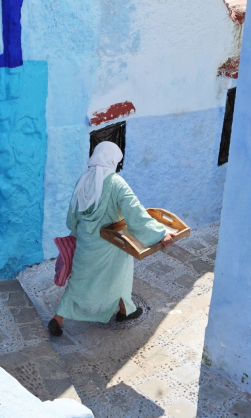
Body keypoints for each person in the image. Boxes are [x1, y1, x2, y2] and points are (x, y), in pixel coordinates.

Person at [48, 141, 174, 336]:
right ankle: (124, 311)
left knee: (79, 282)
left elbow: (71, 217)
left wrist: (79, 233)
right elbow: (136, 213)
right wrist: (159, 234)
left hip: (85, 244)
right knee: (121, 275)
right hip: (111, 244)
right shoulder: (116, 183)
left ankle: (58, 318)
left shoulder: (83, 180)